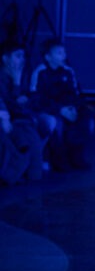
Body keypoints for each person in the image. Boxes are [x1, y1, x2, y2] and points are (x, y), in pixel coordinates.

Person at [30, 38, 94, 171]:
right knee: (57, 124)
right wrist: (60, 109)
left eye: (64, 52)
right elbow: (37, 99)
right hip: (49, 109)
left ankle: (76, 157)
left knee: (85, 118)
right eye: (59, 53)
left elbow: (75, 93)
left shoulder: (68, 71)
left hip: (67, 107)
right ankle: (59, 160)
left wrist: (72, 107)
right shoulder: (40, 72)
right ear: (48, 57)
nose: (63, 56)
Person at [0, 42, 52, 176]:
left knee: (47, 123)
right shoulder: (4, 77)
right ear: (5, 58)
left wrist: (25, 99)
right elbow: (10, 104)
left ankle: (36, 162)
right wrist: (16, 84)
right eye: (18, 56)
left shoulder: (22, 73)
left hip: (24, 114)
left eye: (23, 56)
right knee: (27, 132)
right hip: (13, 117)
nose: (22, 60)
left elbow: (29, 97)